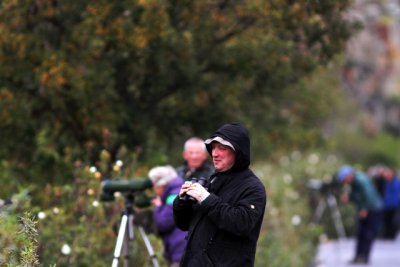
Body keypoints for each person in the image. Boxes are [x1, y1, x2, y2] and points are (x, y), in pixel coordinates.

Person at [173, 122, 267, 267]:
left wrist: (206, 199)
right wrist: (182, 202)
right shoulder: (213, 179)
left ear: (238, 151)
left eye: (222, 148)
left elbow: (241, 223)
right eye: (213, 148)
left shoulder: (253, 187)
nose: (215, 154)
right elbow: (184, 224)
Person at [336, 165, 383, 265]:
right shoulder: (354, 182)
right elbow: (358, 196)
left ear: (348, 175)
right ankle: (358, 256)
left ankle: (364, 256)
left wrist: (365, 209)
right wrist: (349, 197)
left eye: (344, 179)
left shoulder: (361, 180)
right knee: (361, 233)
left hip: (373, 210)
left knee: (367, 234)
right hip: (366, 209)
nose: (344, 182)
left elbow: (368, 195)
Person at [148, 165, 187, 267]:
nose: (154, 189)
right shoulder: (178, 190)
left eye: (155, 186)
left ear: (161, 184)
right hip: (182, 249)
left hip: (181, 251)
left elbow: (164, 223)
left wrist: (158, 207)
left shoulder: (174, 195)